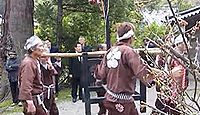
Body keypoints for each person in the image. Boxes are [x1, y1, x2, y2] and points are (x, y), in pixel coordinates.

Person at [94, 22, 164, 115]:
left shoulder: (110, 51)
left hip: (111, 98)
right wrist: (154, 80)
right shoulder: (129, 52)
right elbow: (140, 70)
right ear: (130, 38)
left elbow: (100, 74)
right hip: (123, 101)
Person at [154, 34, 189, 115]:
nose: (187, 46)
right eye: (185, 43)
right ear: (178, 44)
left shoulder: (183, 58)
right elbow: (160, 75)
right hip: (169, 93)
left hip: (178, 94)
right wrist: (170, 75)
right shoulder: (169, 57)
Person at [18, 35, 48, 115]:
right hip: (33, 100)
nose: (43, 48)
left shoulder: (35, 60)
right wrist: (29, 102)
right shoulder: (28, 63)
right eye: (40, 46)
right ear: (32, 49)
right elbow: (25, 84)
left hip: (37, 99)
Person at [40, 47, 59, 115]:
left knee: (53, 110)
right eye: (43, 56)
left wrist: (51, 67)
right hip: (42, 92)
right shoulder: (37, 66)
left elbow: (56, 72)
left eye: (47, 56)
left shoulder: (50, 66)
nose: (45, 58)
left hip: (50, 91)